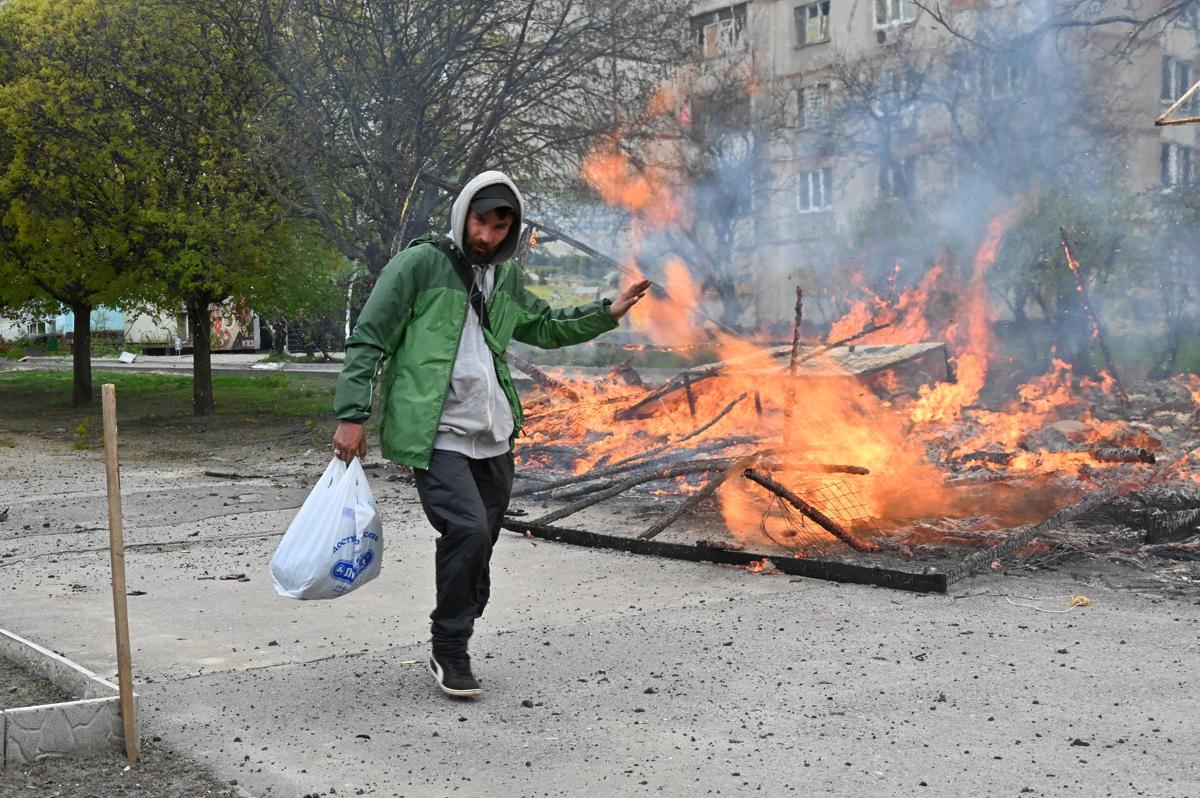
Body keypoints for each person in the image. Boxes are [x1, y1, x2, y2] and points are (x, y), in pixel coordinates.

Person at [331, 170, 650, 698]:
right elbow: (370, 337)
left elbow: (544, 326)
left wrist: (606, 312)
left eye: (500, 227)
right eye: (480, 222)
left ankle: (460, 621)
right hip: (437, 432)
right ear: (463, 215)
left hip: (494, 433)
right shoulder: (420, 265)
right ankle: (449, 648)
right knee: (469, 531)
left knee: (481, 542)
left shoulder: (506, 278)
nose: (487, 236)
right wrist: (351, 413)